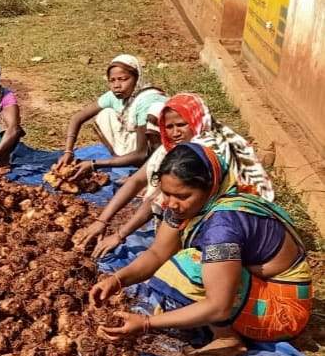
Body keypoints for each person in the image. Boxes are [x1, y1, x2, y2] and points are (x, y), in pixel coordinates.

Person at [89, 143, 311, 356]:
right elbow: (157, 253)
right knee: (179, 266)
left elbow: (219, 306)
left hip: (281, 311)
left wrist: (147, 323)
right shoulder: (186, 207)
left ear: (209, 187)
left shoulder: (223, 225)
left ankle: (227, 339)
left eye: (182, 196)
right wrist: (117, 280)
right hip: (251, 288)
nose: (171, 203)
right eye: (167, 193)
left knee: (189, 266)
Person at [76, 93, 275, 258]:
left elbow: (158, 199)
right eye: (169, 127)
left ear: (196, 121)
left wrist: (120, 235)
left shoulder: (207, 151)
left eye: (181, 125)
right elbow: (137, 180)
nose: (175, 132)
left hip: (226, 220)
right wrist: (102, 221)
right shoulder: (172, 149)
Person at [57, 54, 165, 174]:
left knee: (143, 155)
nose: (116, 85)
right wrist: (68, 152)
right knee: (105, 114)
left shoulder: (147, 101)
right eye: (112, 80)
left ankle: (144, 169)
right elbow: (77, 118)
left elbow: (141, 153)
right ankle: (122, 160)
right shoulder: (114, 96)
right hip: (133, 144)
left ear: (137, 78)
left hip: (155, 153)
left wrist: (94, 164)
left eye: (123, 79)